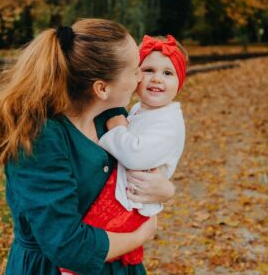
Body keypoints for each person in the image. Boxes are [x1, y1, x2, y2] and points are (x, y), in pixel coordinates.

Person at [0, 18, 176, 275]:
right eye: (136, 69)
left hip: (117, 266)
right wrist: (140, 235)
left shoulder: (111, 116)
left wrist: (166, 190)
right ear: (101, 88)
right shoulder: (40, 138)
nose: (140, 78)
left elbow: (144, 166)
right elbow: (68, 247)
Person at [59, 35, 187, 274]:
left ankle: (73, 268)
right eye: (147, 70)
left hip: (133, 200)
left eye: (168, 73)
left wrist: (116, 128)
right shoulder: (139, 109)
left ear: (180, 82)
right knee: (99, 228)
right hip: (126, 194)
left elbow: (135, 155)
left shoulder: (168, 121)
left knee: (104, 226)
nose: (157, 78)